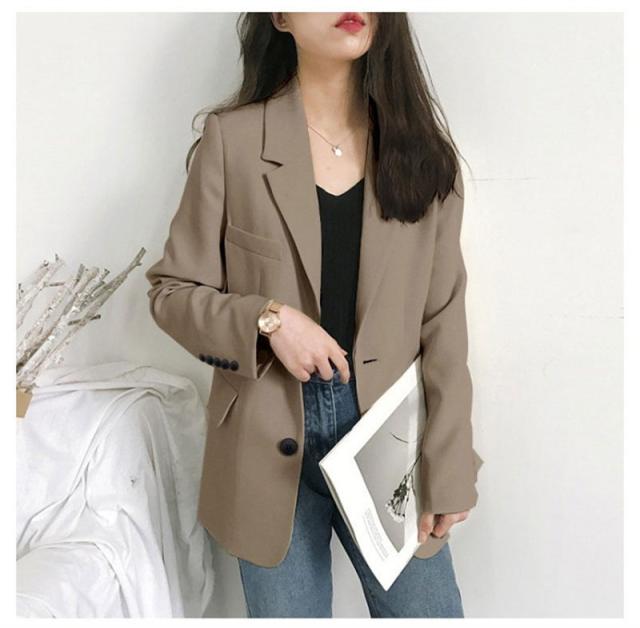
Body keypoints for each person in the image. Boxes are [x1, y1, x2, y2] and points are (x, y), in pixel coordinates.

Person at [145, 11, 483, 618]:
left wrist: (451, 461)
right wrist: (269, 320)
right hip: (265, 434)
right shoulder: (233, 141)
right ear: (280, 15)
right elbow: (172, 292)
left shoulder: (423, 154)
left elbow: (443, 325)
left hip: (389, 440)